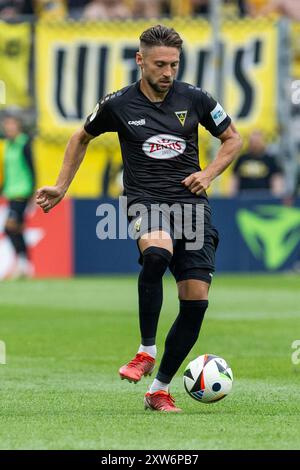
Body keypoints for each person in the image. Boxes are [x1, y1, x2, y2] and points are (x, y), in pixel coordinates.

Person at [36, 25, 242, 412]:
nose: (168, 72)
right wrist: (62, 187)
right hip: (145, 200)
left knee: (195, 300)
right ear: (140, 61)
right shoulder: (117, 104)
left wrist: (210, 173)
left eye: (174, 64)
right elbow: (80, 137)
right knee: (157, 254)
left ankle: (159, 389)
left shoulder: (196, 98)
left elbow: (234, 138)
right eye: (160, 64)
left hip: (192, 206)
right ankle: (145, 350)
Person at [1, 115, 35, 278]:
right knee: (16, 229)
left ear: (18, 126)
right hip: (11, 191)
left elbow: (32, 168)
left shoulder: (24, 143)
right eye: (6, 125)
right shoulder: (7, 145)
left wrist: (33, 193)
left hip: (23, 191)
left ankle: (24, 263)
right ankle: (25, 264)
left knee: (9, 227)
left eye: (11, 125)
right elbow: (8, 172)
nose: (8, 128)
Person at [230, 130, 284, 196]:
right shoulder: (242, 159)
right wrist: (232, 196)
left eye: (257, 142)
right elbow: (234, 179)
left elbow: (276, 179)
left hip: (265, 196)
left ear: (263, 142)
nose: (255, 145)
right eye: (253, 142)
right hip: (244, 197)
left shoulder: (270, 160)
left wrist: (276, 196)